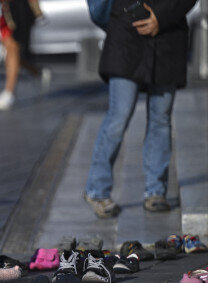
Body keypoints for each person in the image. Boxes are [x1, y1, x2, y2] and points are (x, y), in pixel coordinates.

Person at [84, 0, 197, 218]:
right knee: (119, 115)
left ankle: (156, 192)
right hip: (126, 36)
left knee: (161, 119)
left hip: (168, 37)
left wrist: (161, 17)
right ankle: (97, 190)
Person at [0, 0, 50, 111]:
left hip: (20, 8)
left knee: (13, 49)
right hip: (5, 10)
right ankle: (37, 72)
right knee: (12, 52)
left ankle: (9, 91)